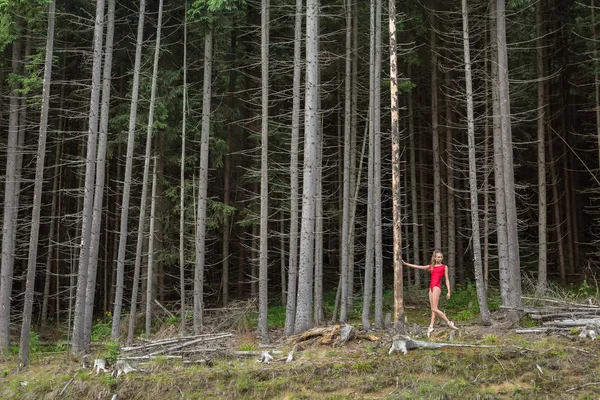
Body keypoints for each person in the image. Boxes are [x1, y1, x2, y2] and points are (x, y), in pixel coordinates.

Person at [403, 250, 458, 338]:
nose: (440, 258)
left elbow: (447, 279)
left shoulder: (444, 267)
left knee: (434, 308)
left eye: (441, 257)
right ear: (435, 258)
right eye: (438, 257)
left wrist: (449, 291)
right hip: (431, 288)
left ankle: (449, 322)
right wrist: (406, 264)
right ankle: (431, 326)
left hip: (437, 287)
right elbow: (418, 266)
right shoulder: (431, 266)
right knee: (433, 309)